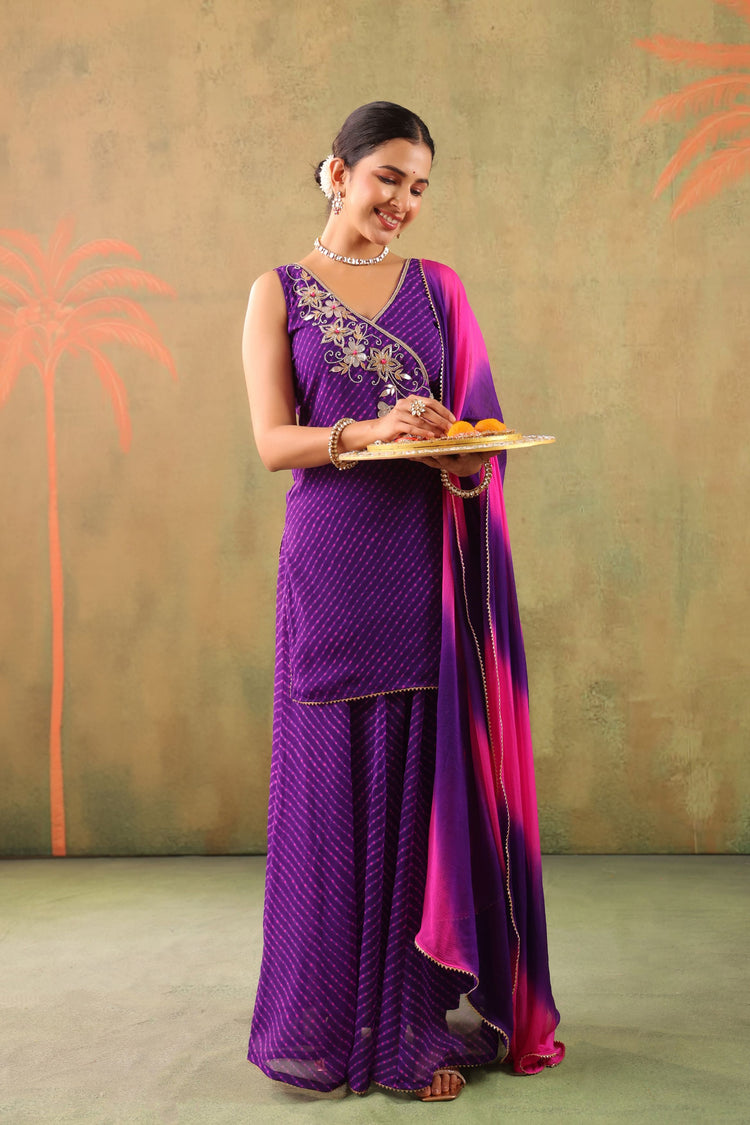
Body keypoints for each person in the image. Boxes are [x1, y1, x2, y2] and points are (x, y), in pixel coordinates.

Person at [242, 101, 564, 1103]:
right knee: (332, 796)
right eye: (388, 177)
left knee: (421, 788)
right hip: (332, 563)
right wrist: (370, 431)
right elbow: (273, 442)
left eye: (419, 187)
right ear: (336, 171)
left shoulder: (440, 289)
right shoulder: (278, 292)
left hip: (424, 567)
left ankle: (412, 1025)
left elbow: (479, 439)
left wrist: (455, 453)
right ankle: (331, 1020)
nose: (403, 201)